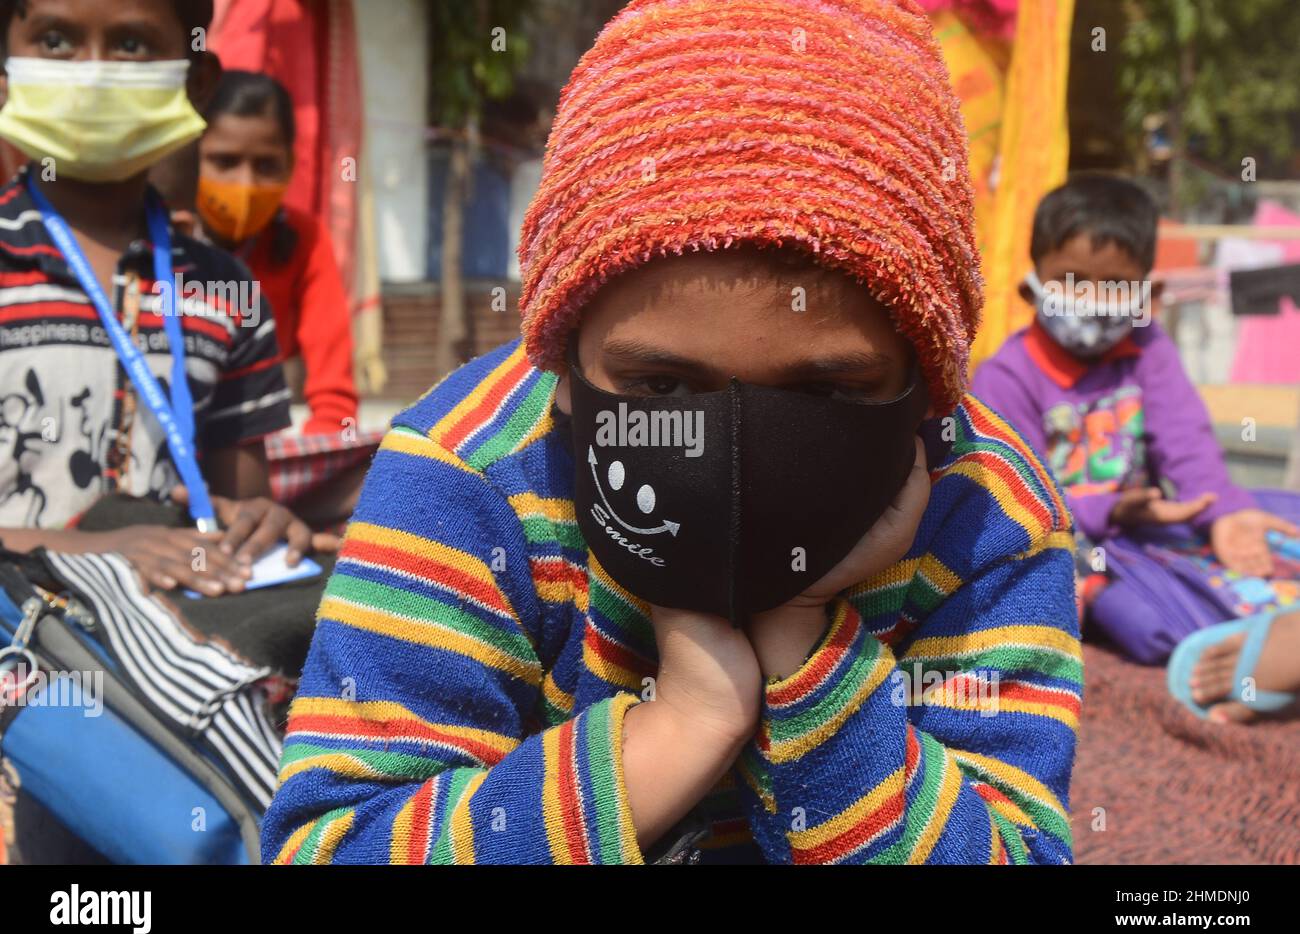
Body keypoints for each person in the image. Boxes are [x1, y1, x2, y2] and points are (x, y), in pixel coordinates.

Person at [262, 0, 1081, 865]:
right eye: (661, 386)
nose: (737, 460)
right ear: (563, 356)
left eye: (829, 392)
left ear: (926, 387)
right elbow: (335, 848)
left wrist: (804, 644)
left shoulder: (987, 512)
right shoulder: (471, 475)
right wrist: (674, 733)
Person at [0, 0, 333, 597]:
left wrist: (258, 526)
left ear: (197, 80)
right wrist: (96, 549)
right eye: (55, 41)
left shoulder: (226, 293)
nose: (94, 73)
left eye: (131, 45)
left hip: (166, 662)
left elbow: (237, 509)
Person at [972, 174, 1300, 724]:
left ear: (1148, 292)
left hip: (1147, 527)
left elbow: (1187, 443)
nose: (1093, 300)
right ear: (1032, 285)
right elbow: (1018, 504)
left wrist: (1223, 510)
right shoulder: (1005, 376)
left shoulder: (1148, 347)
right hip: (1066, 545)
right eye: (1072, 279)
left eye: (1115, 284)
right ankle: (1254, 649)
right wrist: (1110, 511)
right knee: (1138, 620)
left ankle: (1269, 646)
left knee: (1270, 519)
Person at [191, 69, 358, 437]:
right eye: (224, 161)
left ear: (290, 166)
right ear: (190, 155)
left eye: (266, 165)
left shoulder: (306, 239)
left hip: (259, 435)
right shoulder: (158, 239)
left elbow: (334, 400)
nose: (246, 185)